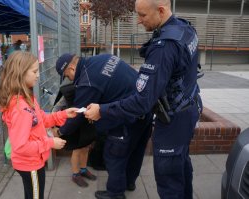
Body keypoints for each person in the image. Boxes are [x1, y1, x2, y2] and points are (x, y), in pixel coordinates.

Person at [84, 0, 203, 198]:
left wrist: (102, 111)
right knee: (181, 168)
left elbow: (142, 102)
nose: (138, 21)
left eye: (143, 15)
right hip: (189, 109)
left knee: (169, 182)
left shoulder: (164, 47)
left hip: (173, 121)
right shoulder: (184, 28)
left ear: (161, 10)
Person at [55, 53, 152, 199]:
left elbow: (78, 114)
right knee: (135, 151)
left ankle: (115, 194)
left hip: (125, 118)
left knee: (114, 156)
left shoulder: (87, 80)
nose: (69, 79)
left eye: (67, 76)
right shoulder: (103, 58)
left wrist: (60, 131)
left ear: (72, 68)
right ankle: (129, 182)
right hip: (145, 109)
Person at [0, 51, 78, 199]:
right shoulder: (21, 108)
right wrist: (50, 142)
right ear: (20, 74)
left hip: (34, 161)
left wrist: (64, 114)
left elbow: (42, 120)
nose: (38, 75)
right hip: (30, 164)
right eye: (34, 71)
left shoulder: (27, 99)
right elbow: (21, 146)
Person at [51, 78, 97, 187]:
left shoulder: (91, 89)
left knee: (86, 147)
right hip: (74, 125)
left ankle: (83, 169)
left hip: (87, 124)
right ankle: (75, 174)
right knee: (77, 150)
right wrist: (53, 124)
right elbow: (57, 107)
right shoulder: (70, 90)